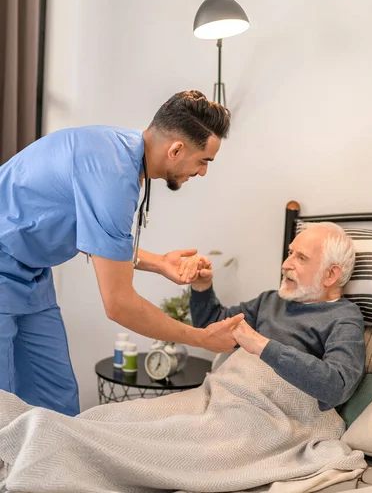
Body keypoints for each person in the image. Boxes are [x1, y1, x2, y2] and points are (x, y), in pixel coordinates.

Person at [0, 90, 243, 416]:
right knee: (4, 402)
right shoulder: (112, 175)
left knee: (55, 400)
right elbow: (119, 305)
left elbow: (100, 239)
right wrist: (201, 338)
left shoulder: (122, 153)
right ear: (176, 149)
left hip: (31, 272)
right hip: (6, 262)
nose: (202, 172)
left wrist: (159, 263)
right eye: (203, 161)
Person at [188, 222, 366, 411]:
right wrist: (202, 287)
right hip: (223, 397)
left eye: (302, 258)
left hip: (271, 413)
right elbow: (210, 328)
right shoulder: (271, 300)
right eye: (290, 253)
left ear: (330, 274)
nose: (285, 264)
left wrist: (260, 345)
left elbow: (337, 387)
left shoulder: (344, 317)